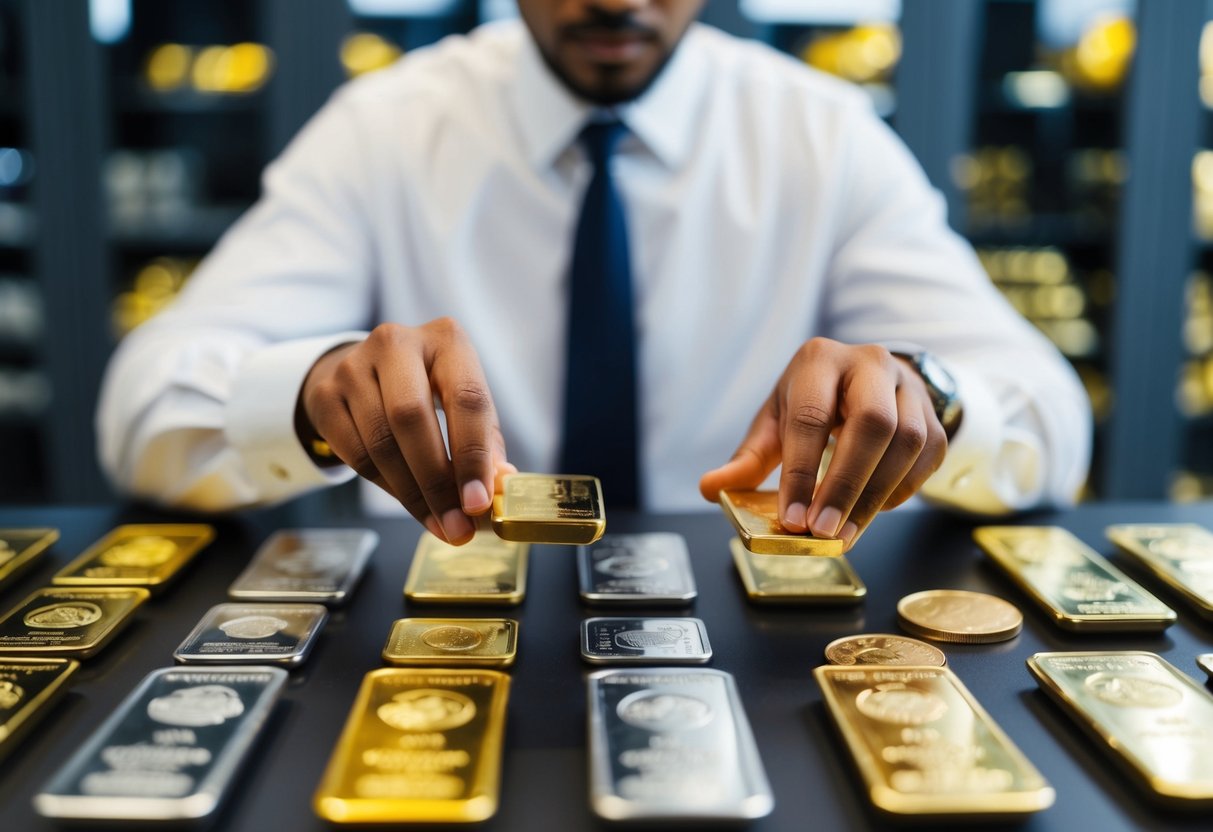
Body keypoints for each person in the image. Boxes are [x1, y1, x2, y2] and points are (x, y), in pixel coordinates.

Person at [96, 0, 1092, 552]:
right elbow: (145, 406)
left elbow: (1048, 414)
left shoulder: (820, 135)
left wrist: (936, 396)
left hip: (744, 648)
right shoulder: (386, 127)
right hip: (453, 625)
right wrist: (313, 392)